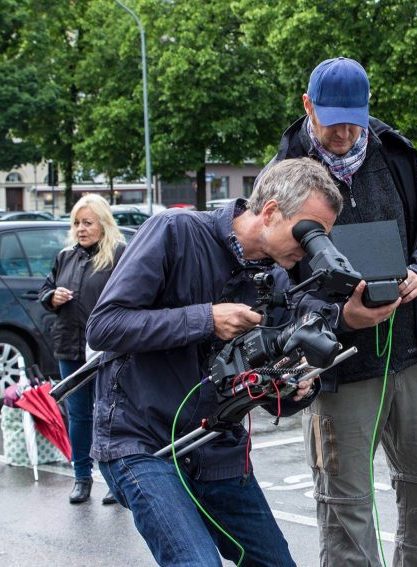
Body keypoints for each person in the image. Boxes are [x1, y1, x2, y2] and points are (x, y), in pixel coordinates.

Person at [85, 158, 343, 566]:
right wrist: (206, 319)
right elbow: (103, 326)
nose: (312, 246)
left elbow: (272, 400)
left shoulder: (276, 281)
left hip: (217, 447)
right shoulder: (175, 231)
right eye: (308, 231)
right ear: (271, 212)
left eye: (322, 235)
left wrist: (294, 385)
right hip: (142, 442)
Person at [262, 56, 417, 566]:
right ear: (308, 106)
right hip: (336, 364)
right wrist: (338, 317)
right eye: (333, 121)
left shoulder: (396, 153)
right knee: (345, 504)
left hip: (409, 351)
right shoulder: (283, 171)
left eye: (355, 120)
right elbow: (271, 272)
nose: (346, 133)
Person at [38, 193, 125, 505]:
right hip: (69, 346)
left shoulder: (118, 254)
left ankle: (117, 481)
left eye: (87, 223)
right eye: (76, 223)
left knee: (110, 414)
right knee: (78, 415)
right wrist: (52, 297)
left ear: (103, 224)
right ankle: (82, 477)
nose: (80, 229)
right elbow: (46, 289)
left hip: (105, 349)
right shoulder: (65, 256)